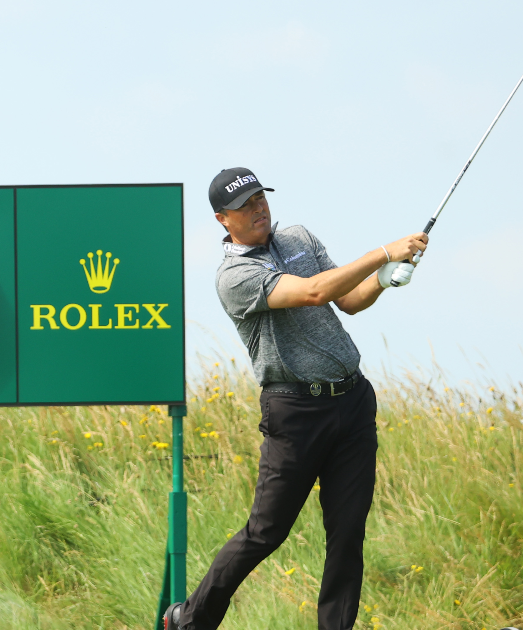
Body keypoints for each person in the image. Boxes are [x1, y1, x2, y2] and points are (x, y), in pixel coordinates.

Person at [163, 168, 427, 630]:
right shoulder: (235, 276)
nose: (258, 208)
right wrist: (383, 252)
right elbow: (313, 291)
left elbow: (345, 299)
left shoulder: (299, 237)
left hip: (353, 401)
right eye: (245, 206)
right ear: (224, 219)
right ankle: (191, 619)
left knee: (347, 533)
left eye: (260, 198)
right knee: (266, 532)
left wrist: (384, 278)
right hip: (296, 412)